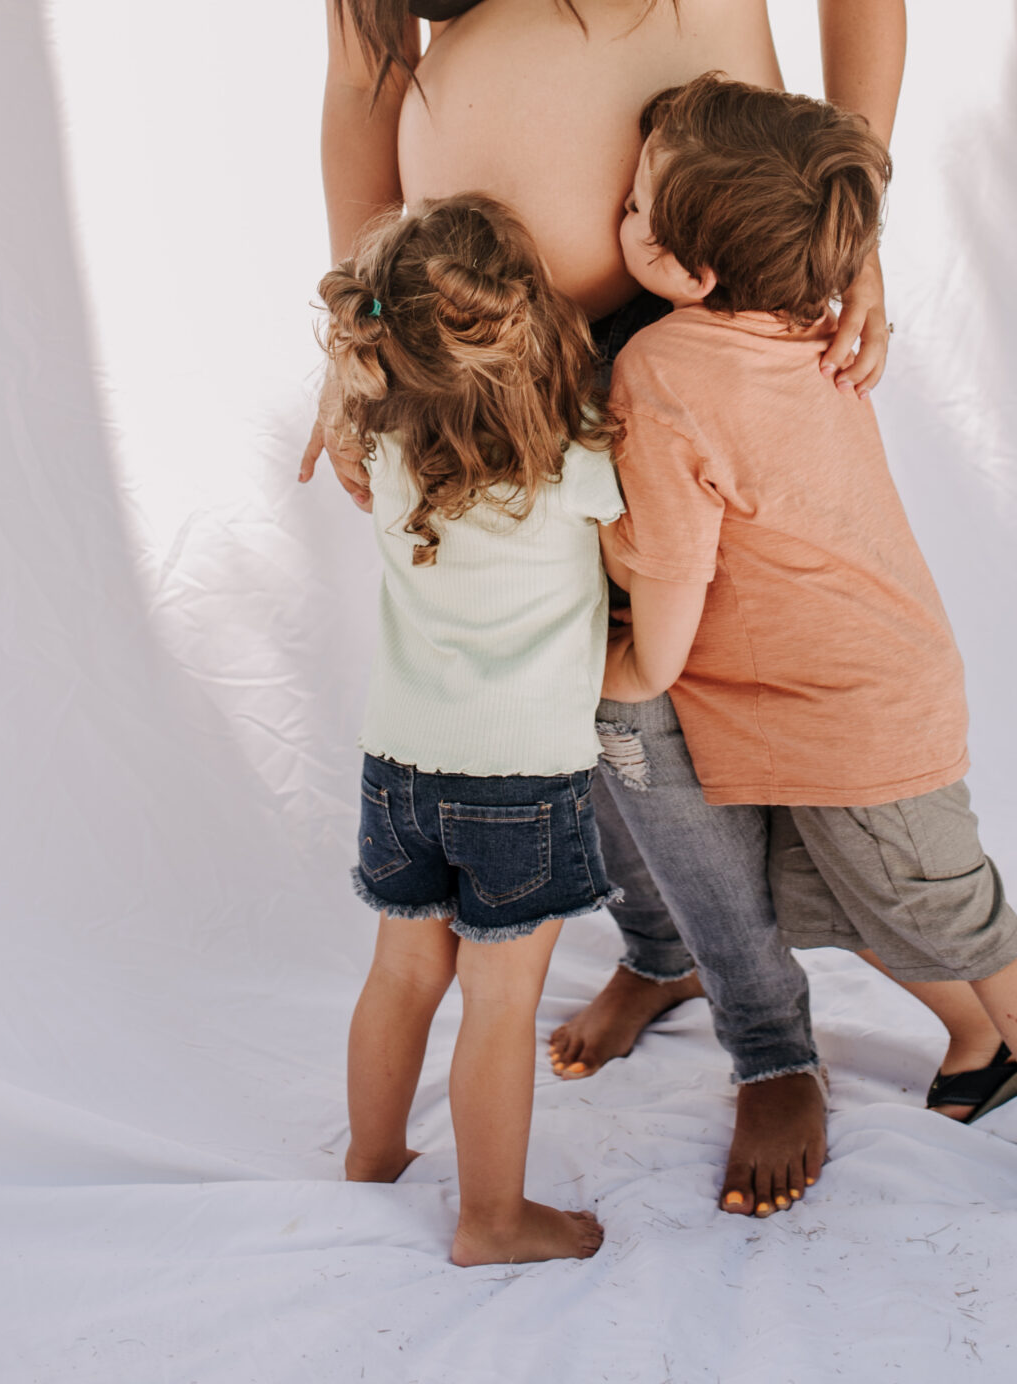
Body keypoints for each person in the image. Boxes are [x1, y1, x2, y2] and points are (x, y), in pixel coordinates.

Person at [210, 0, 910, 1204]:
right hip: (492, 346)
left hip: (715, 304)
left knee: (729, 667)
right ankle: (698, 971)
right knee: (563, 693)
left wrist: (853, 222)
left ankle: (787, 1023)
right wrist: (360, 338)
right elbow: (361, 88)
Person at [597, 73, 1017, 1254]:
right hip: (864, 689)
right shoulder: (797, 326)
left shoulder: (666, 372)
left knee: (972, 929)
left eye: (635, 207)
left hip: (854, 723)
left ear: (689, 270)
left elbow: (670, 588)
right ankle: (981, 1050)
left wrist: (630, 673)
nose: (619, 219)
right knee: (835, 901)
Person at [319, 193, 623, 1266]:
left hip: (399, 762)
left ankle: (371, 1157)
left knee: (400, 975)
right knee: (502, 1004)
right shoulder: (574, 457)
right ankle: (491, 1218)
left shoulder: (384, 444)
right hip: (521, 776)